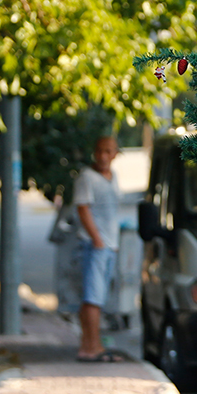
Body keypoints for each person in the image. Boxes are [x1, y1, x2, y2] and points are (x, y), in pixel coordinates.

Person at [74, 136, 123, 362]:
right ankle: (92, 347)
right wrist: (97, 239)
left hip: (108, 245)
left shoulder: (113, 178)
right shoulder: (87, 177)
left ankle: (90, 345)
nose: (103, 156)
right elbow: (83, 209)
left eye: (108, 151)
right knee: (92, 297)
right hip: (95, 245)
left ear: (115, 154)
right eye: (100, 151)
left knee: (98, 296)